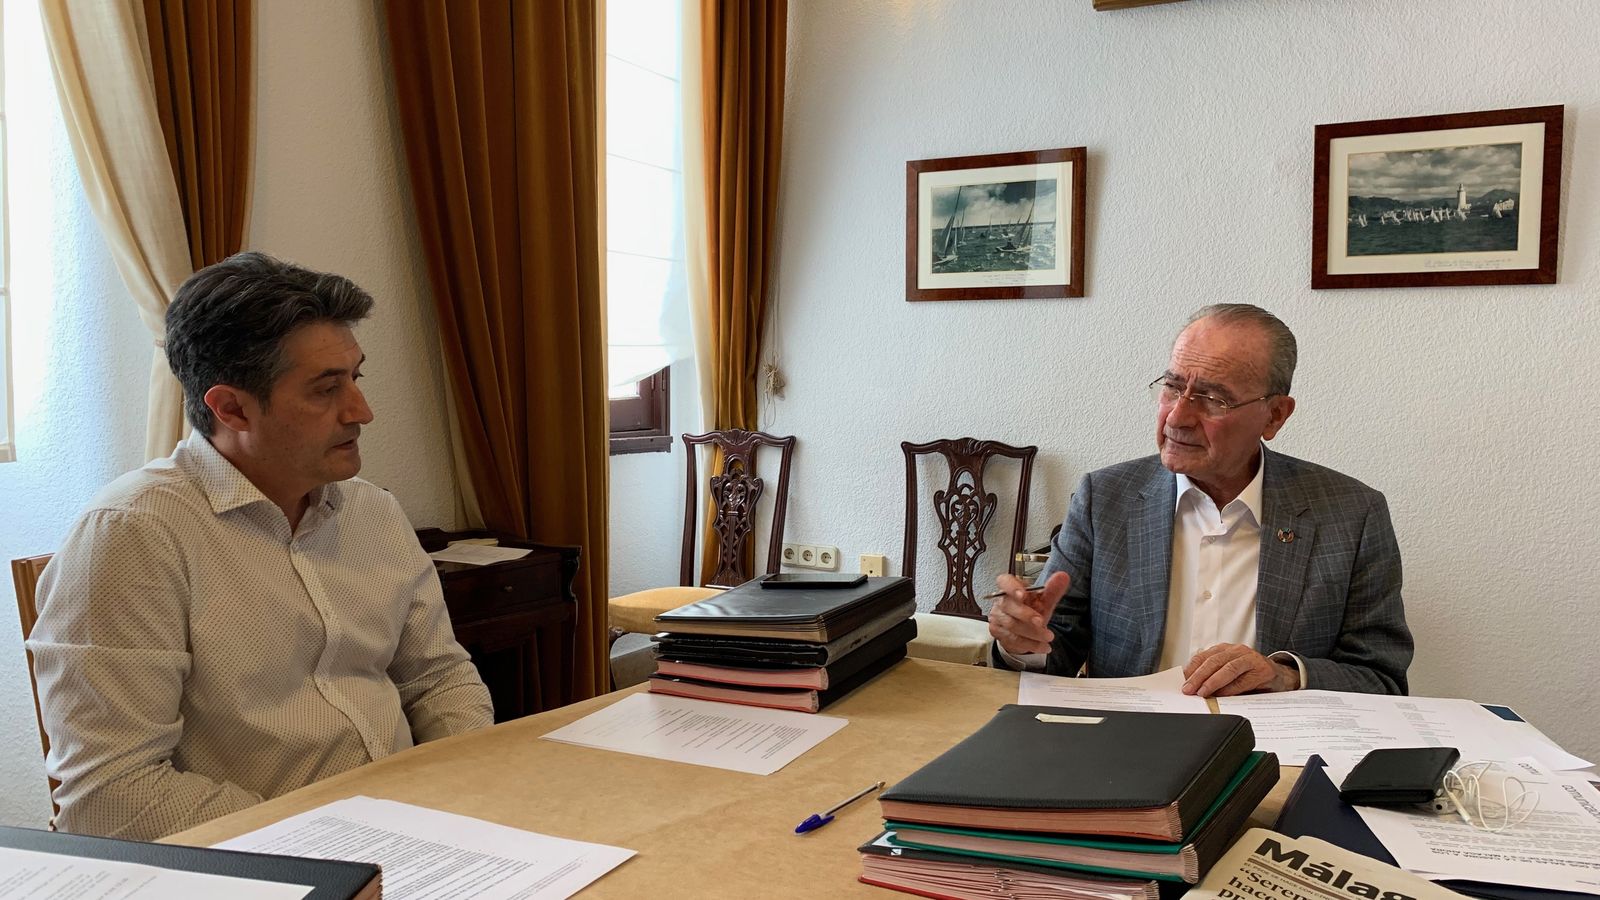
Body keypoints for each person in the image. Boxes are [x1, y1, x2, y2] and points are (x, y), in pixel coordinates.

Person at [28, 252, 494, 839]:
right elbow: (112, 795)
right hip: (261, 861)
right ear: (230, 408)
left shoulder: (372, 510)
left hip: (417, 830)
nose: (361, 411)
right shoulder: (132, 536)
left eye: (356, 377)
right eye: (326, 389)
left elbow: (438, 678)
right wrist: (334, 832)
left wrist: (469, 787)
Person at [988, 304, 1412, 696]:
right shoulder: (1105, 498)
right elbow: (1054, 647)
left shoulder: (1352, 514)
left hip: (1272, 752)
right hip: (1127, 745)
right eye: (1172, 387)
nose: (1178, 416)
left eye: (1212, 399)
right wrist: (1022, 642)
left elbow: (1381, 678)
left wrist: (1284, 675)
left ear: (1275, 415)